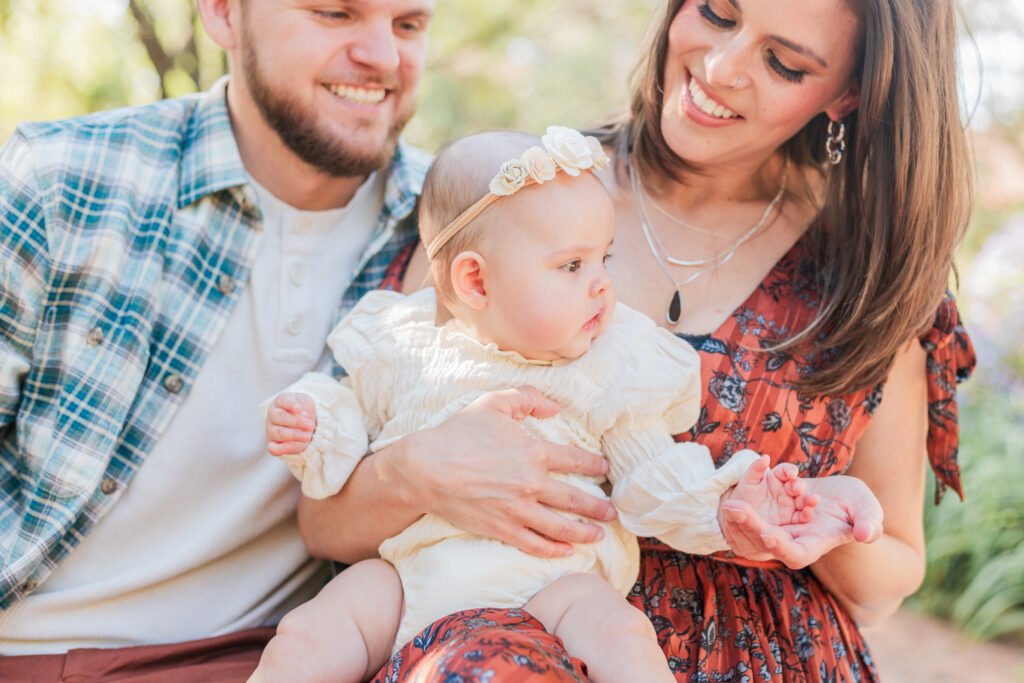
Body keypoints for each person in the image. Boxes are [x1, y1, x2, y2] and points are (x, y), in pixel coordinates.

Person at [292, 0, 976, 681]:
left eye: (783, 62)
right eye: (715, 12)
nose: (719, 66)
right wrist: (418, 470)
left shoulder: (870, 281)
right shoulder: (509, 201)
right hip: (486, 642)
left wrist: (804, 521)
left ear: (848, 92)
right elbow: (325, 523)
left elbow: (887, 578)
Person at [249, 127, 847, 683]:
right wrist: (312, 421)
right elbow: (349, 414)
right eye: (571, 265)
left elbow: (651, 477)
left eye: (603, 258)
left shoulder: (609, 366)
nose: (602, 283)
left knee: (619, 631)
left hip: (552, 583)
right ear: (476, 283)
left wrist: (723, 508)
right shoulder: (407, 345)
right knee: (307, 633)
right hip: (409, 576)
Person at [0, 0, 477, 678]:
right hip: (36, 653)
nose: (384, 56)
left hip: (282, 657)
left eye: (408, 25)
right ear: (223, 14)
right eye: (336, 13)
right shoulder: (62, 179)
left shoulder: (455, 240)